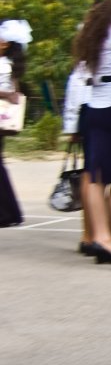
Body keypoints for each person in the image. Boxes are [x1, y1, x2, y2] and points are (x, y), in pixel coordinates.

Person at [68, 0, 111, 262]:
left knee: (93, 176)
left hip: (93, 104)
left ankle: (98, 236)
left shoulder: (88, 26)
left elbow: (79, 74)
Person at [0, 19, 31, 227]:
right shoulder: (11, 65)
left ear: (6, 43)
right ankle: (10, 212)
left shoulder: (4, 64)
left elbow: (10, 93)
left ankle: (6, 213)